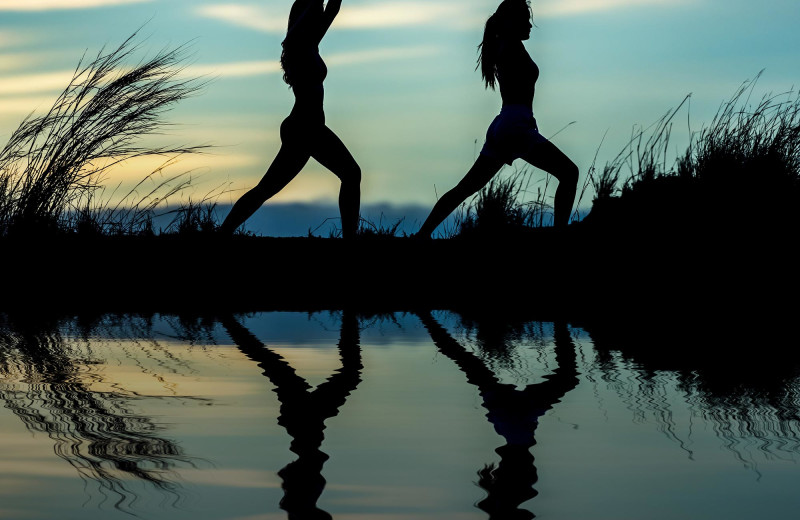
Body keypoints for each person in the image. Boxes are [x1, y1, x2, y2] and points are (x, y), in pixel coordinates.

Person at [416, 0, 578, 237]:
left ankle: (421, 235)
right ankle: (560, 234)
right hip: (515, 127)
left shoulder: (505, 44)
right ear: (512, 22)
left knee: (465, 188)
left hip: (506, 125)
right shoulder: (509, 46)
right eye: (525, 20)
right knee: (569, 173)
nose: (530, 26)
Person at [220, 0, 361, 237]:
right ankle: (350, 238)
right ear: (305, 17)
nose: (320, 17)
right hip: (305, 128)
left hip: (307, 127)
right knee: (350, 174)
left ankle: (222, 233)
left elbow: (333, 8)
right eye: (316, 12)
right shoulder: (299, 46)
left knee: (267, 189)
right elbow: (324, 10)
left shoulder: (310, 43)